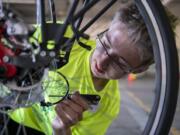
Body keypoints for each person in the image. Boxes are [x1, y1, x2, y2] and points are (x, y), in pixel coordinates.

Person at [8, 2, 176, 135]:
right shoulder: (62, 37)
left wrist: (61, 130)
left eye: (120, 63)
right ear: (107, 29)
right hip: (7, 111)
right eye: (106, 42)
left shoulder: (107, 106)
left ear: (138, 70)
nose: (102, 62)